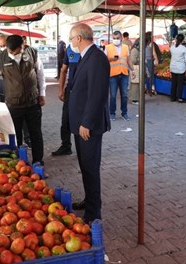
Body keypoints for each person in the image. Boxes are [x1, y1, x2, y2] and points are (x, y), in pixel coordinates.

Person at [0, 35, 46, 164]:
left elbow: (40, 73)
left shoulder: (32, 53)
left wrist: (42, 93)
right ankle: (18, 163)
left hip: (32, 102)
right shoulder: (1, 58)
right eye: (9, 51)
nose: (11, 54)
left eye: (14, 52)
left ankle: (38, 162)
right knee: (15, 136)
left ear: (22, 47)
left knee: (36, 135)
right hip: (13, 104)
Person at [68, 23, 110, 224]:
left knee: (91, 167)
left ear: (79, 38)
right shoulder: (86, 56)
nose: (71, 43)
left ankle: (94, 213)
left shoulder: (97, 58)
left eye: (71, 38)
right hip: (81, 123)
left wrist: (86, 122)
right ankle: (90, 200)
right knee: (85, 166)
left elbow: (97, 94)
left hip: (88, 126)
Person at [52, 44, 80, 156]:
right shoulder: (69, 49)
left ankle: (83, 148)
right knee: (65, 120)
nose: (71, 41)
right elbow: (63, 70)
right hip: (71, 90)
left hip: (85, 92)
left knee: (82, 121)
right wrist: (61, 90)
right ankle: (66, 146)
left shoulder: (92, 50)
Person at [105, 30, 135, 121]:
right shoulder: (108, 47)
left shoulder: (126, 47)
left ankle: (124, 113)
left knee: (124, 95)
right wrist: (112, 58)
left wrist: (132, 70)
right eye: (114, 38)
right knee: (113, 95)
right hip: (113, 75)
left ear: (121, 38)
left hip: (124, 74)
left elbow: (128, 60)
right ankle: (112, 113)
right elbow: (104, 60)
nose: (116, 40)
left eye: (117, 38)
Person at [170, 34, 186, 103]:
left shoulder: (172, 47)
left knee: (174, 83)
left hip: (173, 67)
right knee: (180, 84)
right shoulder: (183, 48)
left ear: (176, 39)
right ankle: (179, 98)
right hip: (180, 68)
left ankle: (172, 97)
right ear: (183, 40)